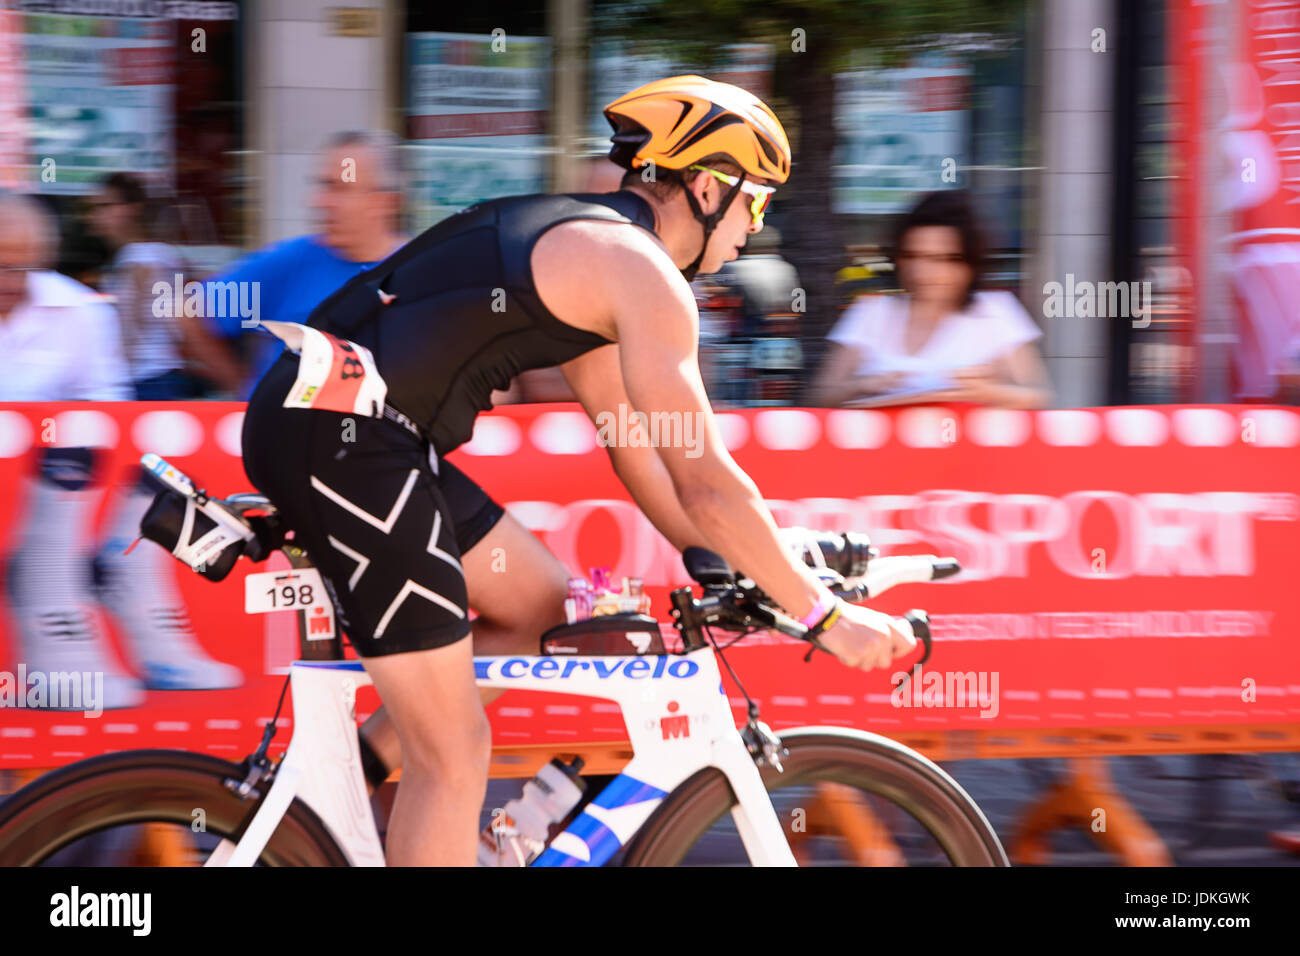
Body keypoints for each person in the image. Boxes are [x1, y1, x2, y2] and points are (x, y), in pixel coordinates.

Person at [239, 75, 919, 867]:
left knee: (546, 607)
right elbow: (707, 478)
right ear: (706, 187)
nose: (753, 232)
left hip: (348, 432)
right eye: (755, 204)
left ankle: (342, 796)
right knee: (453, 756)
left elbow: (641, 450)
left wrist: (734, 559)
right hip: (350, 442)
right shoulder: (645, 276)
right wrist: (826, 619)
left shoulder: (593, 247)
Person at [203, 130, 409, 397]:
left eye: (340, 189)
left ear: (385, 202)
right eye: (323, 186)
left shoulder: (425, 272)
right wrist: (244, 389)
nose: (319, 202)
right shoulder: (290, 263)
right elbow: (192, 313)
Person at [811, 190, 1052, 409]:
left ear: (968, 264)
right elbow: (821, 397)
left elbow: (1039, 398)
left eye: (941, 259)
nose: (922, 271)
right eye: (913, 256)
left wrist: (988, 393)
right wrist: (863, 386)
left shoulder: (996, 312)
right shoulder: (871, 312)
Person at [87, 171, 243, 399]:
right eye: (95, 208)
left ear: (132, 208)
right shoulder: (144, 256)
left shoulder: (145, 260)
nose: (98, 215)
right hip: (152, 378)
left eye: (106, 205)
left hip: (149, 381)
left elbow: (132, 329)